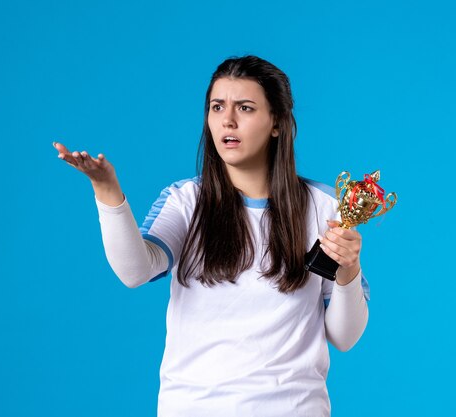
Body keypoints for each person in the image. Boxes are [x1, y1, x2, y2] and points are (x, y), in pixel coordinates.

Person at [53, 55, 369, 417]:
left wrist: (348, 271)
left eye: (245, 108)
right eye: (217, 106)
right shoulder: (185, 201)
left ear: (277, 123)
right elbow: (134, 271)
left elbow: (345, 337)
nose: (227, 120)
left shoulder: (325, 207)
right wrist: (107, 190)